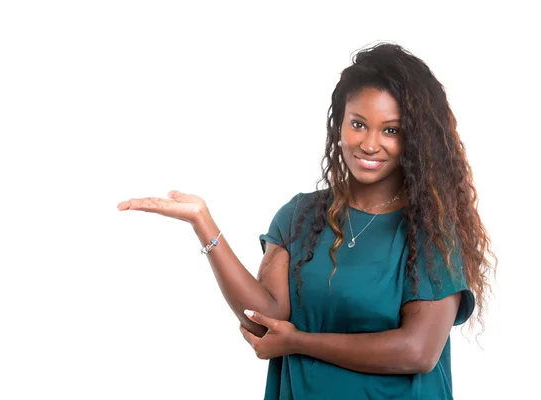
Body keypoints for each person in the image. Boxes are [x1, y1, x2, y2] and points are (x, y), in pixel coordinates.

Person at [117, 43, 496, 400]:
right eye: (359, 124)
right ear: (339, 126)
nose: (369, 143)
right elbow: (265, 319)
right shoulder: (301, 217)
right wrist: (203, 222)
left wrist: (298, 341)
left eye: (391, 130)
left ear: (415, 139)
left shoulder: (430, 228)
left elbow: (417, 351)